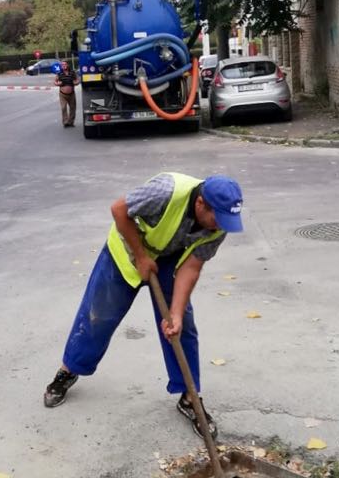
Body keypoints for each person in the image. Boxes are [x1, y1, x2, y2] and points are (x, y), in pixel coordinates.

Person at [44, 172, 244, 439]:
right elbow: (119, 210)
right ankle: (69, 369)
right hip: (128, 252)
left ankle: (190, 397)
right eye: (218, 218)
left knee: (181, 327)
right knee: (99, 316)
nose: (222, 226)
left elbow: (192, 267)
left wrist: (175, 313)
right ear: (200, 204)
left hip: (170, 261)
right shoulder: (166, 191)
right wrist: (140, 256)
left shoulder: (220, 224)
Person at [54, 61, 78, 128]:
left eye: (65, 64)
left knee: (72, 108)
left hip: (71, 94)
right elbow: (55, 81)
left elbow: (77, 80)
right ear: (61, 66)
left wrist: (76, 82)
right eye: (62, 65)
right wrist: (57, 84)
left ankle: (71, 122)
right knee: (63, 108)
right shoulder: (59, 73)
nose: (64, 65)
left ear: (67, 65)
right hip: (62, 94)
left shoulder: (72, 73)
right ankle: (65, 122)